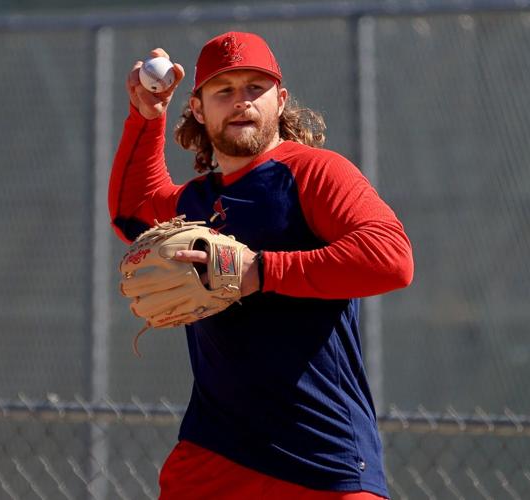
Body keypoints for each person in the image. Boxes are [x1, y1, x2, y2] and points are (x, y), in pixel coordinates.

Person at [109, 31, 413, 500]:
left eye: (256, 87)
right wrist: (146, 116)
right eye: (224, 91)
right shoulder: (196, 201)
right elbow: (134, 210)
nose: (241, 101)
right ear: (197, 106)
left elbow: (391, 258)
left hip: (321, 459)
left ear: (281, 99)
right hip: (215, 454)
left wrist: (259, 272)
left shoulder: (313, 172)